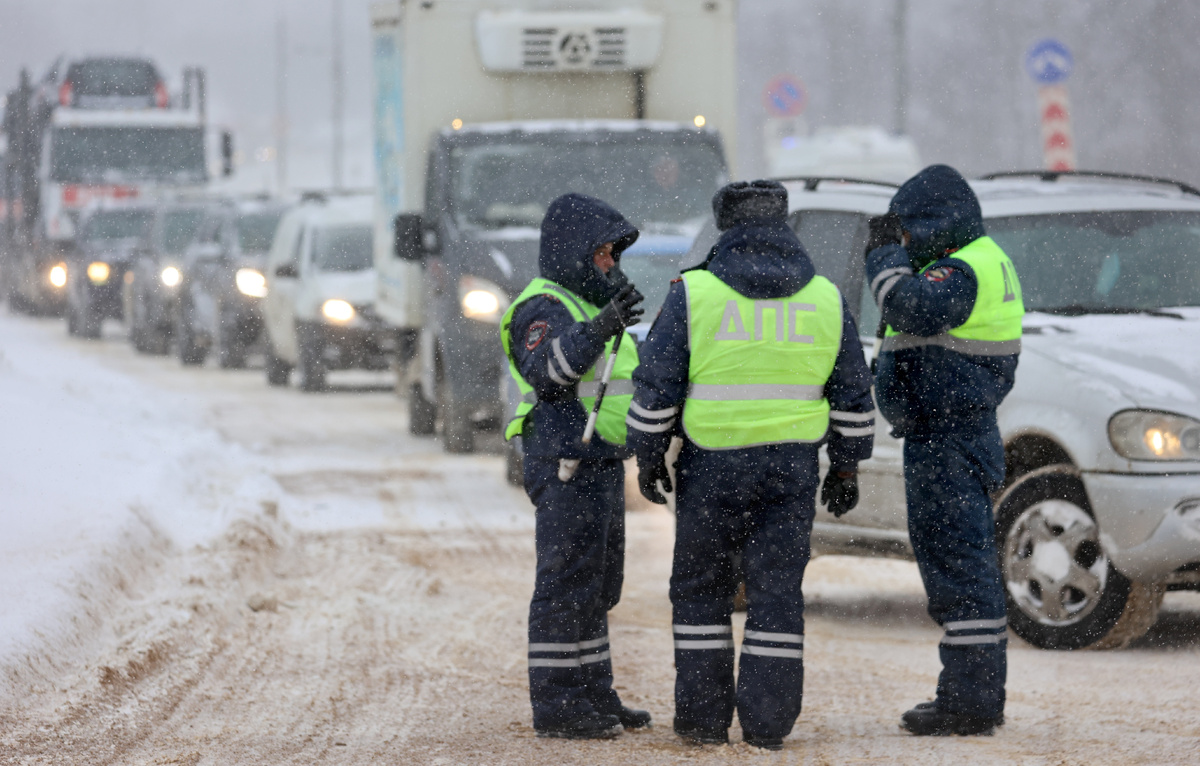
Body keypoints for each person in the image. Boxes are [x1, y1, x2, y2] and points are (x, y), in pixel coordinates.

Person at [628, 180, 875, 750]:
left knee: (699, 591)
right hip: (790, 470)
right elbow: (853, 396)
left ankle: (702, 720)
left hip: (711, 467)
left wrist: (647, 454)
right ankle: (767, 724)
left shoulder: (695, 294)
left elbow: (657, 385)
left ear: (724, 227)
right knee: (777, 591)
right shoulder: (826, 297)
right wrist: (846, 467)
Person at [864, 164, 1024, 736]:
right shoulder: (969, 260)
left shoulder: (962, 269)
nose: (904, 243)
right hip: (950, 433)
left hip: (949, 438)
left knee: (959, 570)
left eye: (908, 232)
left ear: (938, 223)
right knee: (956, 567)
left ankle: (972, 703)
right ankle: (968, 694)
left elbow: (911, 308)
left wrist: (881, 258)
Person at [500, 192, 652, 740]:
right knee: (566, 585)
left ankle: (594, 693)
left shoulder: (587, 303)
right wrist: (602, 325)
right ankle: (560, 705)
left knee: (597, 585)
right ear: (573, 252)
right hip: (563, 460)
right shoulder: (543, 306)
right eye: (603, 254)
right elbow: (548, 373)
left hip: (600, 459)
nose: (611, 263)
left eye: (614, 254)